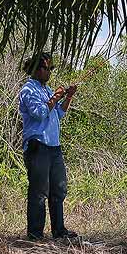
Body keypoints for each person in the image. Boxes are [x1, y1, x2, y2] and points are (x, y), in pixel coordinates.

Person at [19, 53, 78, 241]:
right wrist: (55, 97)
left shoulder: (47, 89)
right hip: (38, 146)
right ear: (37, 70)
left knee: (58, 189)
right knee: (39, 191)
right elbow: (39, 113)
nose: (50, 72)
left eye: (51, 68)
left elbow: (58, 114)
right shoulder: (28, 90)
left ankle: (59, 231)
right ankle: (35, 234)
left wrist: (67, 97)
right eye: (47, 68)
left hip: (54, 146)